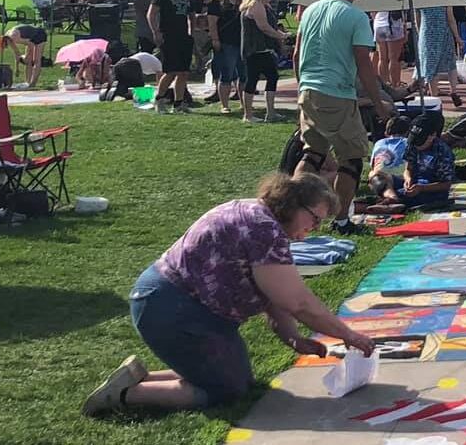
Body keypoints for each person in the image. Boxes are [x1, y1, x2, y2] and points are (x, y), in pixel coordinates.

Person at [82, 173, 378, 416]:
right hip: (173, 309)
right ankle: (124, 393)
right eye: (315, 220)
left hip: (179, 305)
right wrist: (349, 336)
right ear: (294, 205)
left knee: (239, 381)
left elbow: (277, 295)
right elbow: (297, 301)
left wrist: (292, 338)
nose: (313, 229)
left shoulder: (260, 217)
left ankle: (136, 376)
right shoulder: (263, 229)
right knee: (224, 391)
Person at [296, 0, 394, 220]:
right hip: (336, 93)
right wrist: (379, 103)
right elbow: (363, 63)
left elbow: (297, 53)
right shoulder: (356, 16)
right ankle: (340, 220)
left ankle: (291, 209)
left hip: (308, 89)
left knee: (313, 153)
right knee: (351, 157)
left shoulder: (310, 10)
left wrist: (302, 84)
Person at [147, 0, 203, 114]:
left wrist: (192, 33)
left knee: (183, 72)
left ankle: (178, 104)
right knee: (170, 71)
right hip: (168, 36)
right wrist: (156, 31)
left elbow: (192, 16)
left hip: (184, 36)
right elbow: (151, 14)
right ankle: (159, 99)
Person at [240, 0, 292, 123]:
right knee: (257, 79)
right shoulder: (256, 5)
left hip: (259, 49)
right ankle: (249, 115)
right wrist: (281, 36)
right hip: (257, 49)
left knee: (269, 77)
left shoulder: (258, 5)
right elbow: (264, 27)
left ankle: (268, 112)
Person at [203, 0, 246, 113]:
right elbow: (212, 23)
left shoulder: (243, 1)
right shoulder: (216, 3)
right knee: (226, 73)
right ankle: (225, 105)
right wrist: (215, 39)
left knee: (243, 75)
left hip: (242, 42)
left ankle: (244, 103)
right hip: (226, 42)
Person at [414, 3, 464, 108]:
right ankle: (453, 91)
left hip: (427, 33)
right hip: (443, 33)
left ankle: (434, 97)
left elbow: (417, 19)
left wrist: (420, 34)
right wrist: (457, 37)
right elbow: (451, 19)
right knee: (450, 63)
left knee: (431, 67)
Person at [0, 23, 49, 91]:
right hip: (30, 39)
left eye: (2, 47)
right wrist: (17, 68)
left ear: (3, 42)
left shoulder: (13, 37)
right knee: (28, 61)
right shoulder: (8, 38)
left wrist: (29, 57)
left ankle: (32, 84)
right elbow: (17, 53)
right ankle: (28, 82)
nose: (4, 48)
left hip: (39, 35)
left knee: (36, 61)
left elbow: (31, 44)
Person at [373, 9, 410, 90]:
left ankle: (384, 85)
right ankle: (395, 85)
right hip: (394, 24)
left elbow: (373, 12)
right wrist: (404, 29)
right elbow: (402, 12)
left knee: (382, 58)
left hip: (378, 23)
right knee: (394, 59)